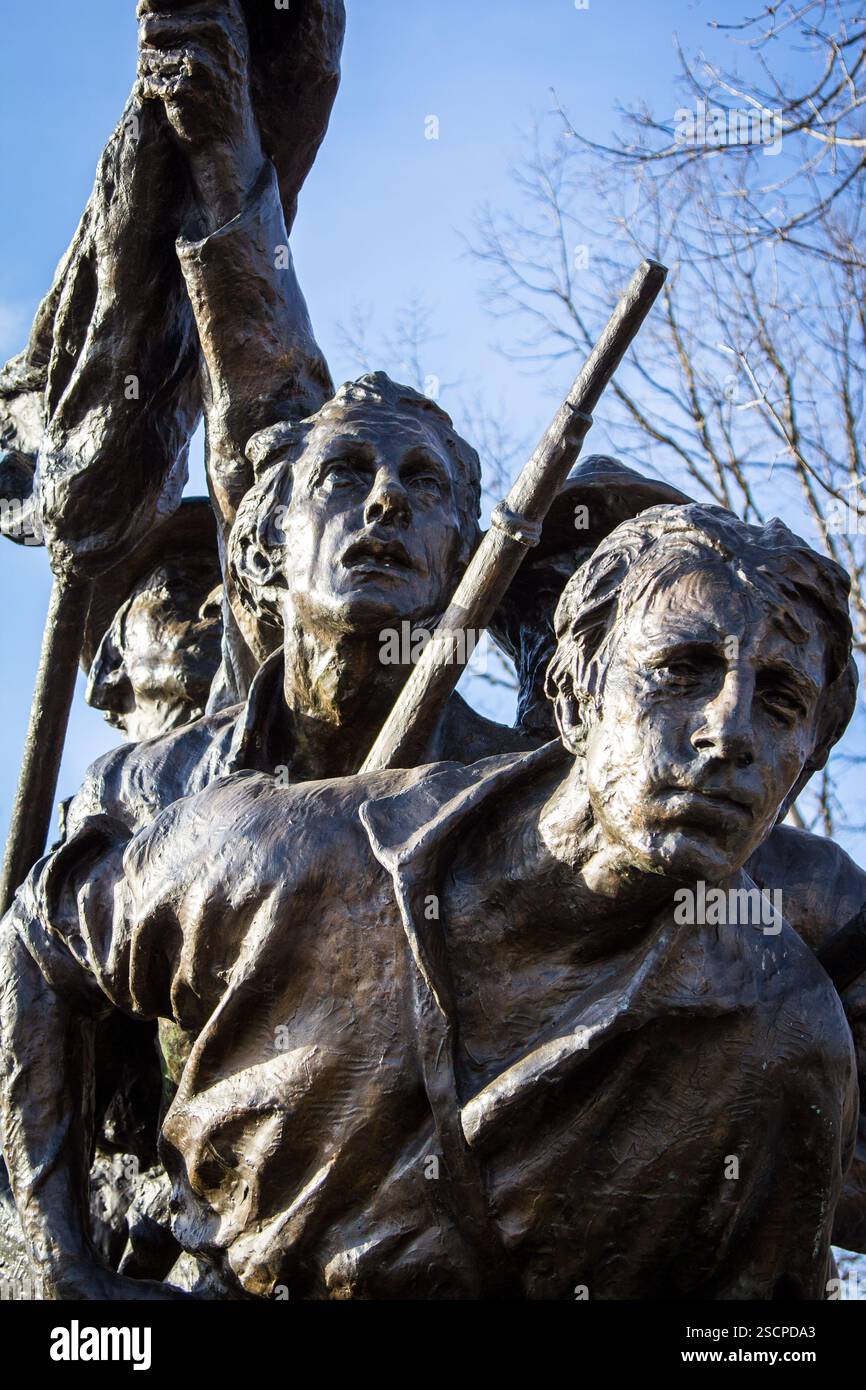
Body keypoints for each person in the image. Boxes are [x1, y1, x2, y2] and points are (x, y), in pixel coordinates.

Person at [0, 503, 857, 1299]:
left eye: (781, 701)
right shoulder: (295, 853)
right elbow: (39, 937)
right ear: (575, 693)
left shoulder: (784, 1038)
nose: (730, 730)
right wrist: (64, 1268)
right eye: (681, 670)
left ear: (808, 757)